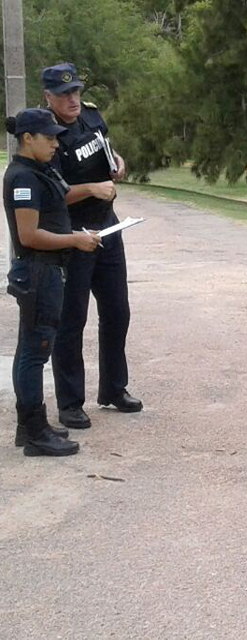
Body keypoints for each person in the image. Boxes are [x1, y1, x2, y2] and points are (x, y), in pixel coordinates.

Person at [42, 63, 141, 428]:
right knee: (72, 320)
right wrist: (90, 189)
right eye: (64, 94)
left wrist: (117, 164)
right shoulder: (46, 135)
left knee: (118, 311)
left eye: (76, 92)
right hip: (72, 235)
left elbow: (107, 153)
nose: (73, 100)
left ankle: (114, 388)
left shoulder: (92, 118)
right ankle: (70, 402)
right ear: (48, 97)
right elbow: (49, 195)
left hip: (108, 228)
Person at [5, 108, 101, 455]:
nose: (56, 145)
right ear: (27, 139)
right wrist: (74, 239)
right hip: (39, 271)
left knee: (30, 350)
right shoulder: (23, 179)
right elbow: (29, 236)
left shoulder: (38, 171)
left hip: (45, 271)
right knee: (35, 353)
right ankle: (34, 433)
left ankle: (30, 426)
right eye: (48, 138)